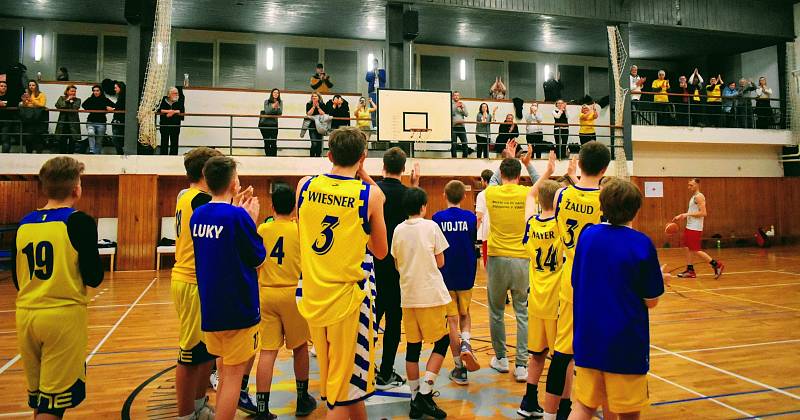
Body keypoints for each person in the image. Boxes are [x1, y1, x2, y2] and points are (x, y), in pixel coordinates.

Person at [295, 126, 388, 419]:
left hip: (312, 295)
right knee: (339, 393)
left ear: (329, 154)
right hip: (348, 301)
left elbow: (303, 225)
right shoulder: (368, 196)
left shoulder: (304, 186)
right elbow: (381, 251)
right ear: (363, 157)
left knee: (342, 382)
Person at [12, 156, 104, 419]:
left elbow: (18, 279)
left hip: (26, 314)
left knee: (41, 398)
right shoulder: (79, 222)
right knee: (53, 405)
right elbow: (94, 277)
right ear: (76, 188)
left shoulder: (24, 223)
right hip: (61, 316)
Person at [567, 179, 667, 420]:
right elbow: (651, 300)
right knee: (628, 414)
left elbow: (575, 280)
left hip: (588, 337)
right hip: (625, 343)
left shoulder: (588, 236)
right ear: (636, 208)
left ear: (602, 205)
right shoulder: (641, 244)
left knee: (583, 406)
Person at [191, 156, 265, 420]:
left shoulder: (198, 214)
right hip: (239, 307)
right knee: (234, 377)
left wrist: (238, 211)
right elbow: (257, 257)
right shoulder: (238, 218)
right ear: (234, 182)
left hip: (211, 306)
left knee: (223, 372)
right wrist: (251, 221)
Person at [544, 141, 610, 420]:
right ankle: (595, 406)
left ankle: (553, 413)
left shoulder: (560, 195)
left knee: (562, 352)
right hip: (598, 283)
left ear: (579, 164)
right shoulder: (606, 200)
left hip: (570, 280)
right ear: (606, 168)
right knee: (599, 352)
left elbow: (574, 193)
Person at [478, 142, 541, 383]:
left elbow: (494, 179)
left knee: (496, 311)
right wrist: (527, 164)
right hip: (522, 260)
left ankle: (502, 359)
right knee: (522, 312)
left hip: (496, 258)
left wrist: (507, 156)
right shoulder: (528, 194)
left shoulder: (490, 193)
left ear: (502, 173)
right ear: (519, 175)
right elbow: (541, 184)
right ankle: (522, 365)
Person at [254, 184, 317, 419]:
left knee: (267, 352)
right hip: (292, 293)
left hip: (267, 293)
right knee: (300, 347)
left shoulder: (262, 229)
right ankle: (302, 399)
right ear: (294, 208)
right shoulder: (300, 229)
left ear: (271, 206)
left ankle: (262, 408)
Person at [170, 147, 223, 420]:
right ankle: (185, 414)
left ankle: (199, 404)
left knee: (205, 352)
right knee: (189, 354)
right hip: (191, 280)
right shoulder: (201, 200)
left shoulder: (186, 196)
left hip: (196, 279)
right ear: (206, 172)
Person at [390, 187, 451, 418]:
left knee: (413, 348)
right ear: (424, 206)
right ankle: (425, 393)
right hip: (431, 295)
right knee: (442, 342)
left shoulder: (397, 230)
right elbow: (441, 261)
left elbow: (397, 263)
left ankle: (415, 399)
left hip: (408, 297)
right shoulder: (431, 227)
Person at [518, 152, 561, 418]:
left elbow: (531, 195)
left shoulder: (531, 223)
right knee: (561, 360)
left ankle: (528, 401)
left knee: (536, 355)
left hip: (535, 299)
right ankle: (558, 409)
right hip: (556, 300)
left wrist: (545, 172)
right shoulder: (560, 225)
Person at [374, 147, 419, 390]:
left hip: (372, 265)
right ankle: (385, 372)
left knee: (370, 320)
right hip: (398, 267)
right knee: (393, 322)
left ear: (383, 166)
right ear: (403, 169)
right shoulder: (408, 195)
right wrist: (414, 186)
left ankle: (362, 367)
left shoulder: (373, 191)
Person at [432, 180, 479, 385]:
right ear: (464, 197)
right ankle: (466, 343)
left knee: (451, 321)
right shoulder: (470, 218)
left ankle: (459, 367)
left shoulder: (436, 218)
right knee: (465, 313)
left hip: (445, 275)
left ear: (444, 195)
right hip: (466, 274)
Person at [673, 178, 725, 279]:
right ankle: (690, 270)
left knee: (696, 249)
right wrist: (683, 216)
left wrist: (686, 214)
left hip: (695, 227)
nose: (689, 187)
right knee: (688, 247)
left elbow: (703, 213)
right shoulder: (694, 197)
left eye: (691, 185)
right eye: (688, 185)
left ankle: (717, 265)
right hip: (690, 226)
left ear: (697, 185)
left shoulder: (699, 197)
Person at [82, 84, 115, 155]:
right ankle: (92, 151)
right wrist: (102, 108)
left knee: (99, 140)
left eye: (97, 91)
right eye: (94, 91)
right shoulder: (90, 99)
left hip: (101, 122)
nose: (95, 92)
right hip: (91, 121)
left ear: (100, 91)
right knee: (91, 133)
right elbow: (84, 105)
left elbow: (114, 106)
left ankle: (97, 154)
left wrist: (108, 109)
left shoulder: (105, 100)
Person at [19, 79, 47, 153]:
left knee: (37, 137)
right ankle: (29, 153)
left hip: (38, 118)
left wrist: (31, 100)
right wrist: (24, 101)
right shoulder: (26, 94)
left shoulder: (41, 94)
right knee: (28, 138)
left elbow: (42, 104)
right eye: (30, 85)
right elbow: (23, 105)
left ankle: (38, 153)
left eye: (33, 85)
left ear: (36, 86)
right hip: (28, 118)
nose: (31, 87)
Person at [55, 85, 82, 154]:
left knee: (72, 141)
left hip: (73, 124)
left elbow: (75, 108)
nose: (73, 93)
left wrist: (72, 101)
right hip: (63, 123)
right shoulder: (61, 98)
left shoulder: (78, 100)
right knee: (62, 141)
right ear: (67, 91)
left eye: (75, 91)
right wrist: (67, 100)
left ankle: (71, 156)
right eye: (72, 91)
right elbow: (58, 105)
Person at [475, 169, 493, 269]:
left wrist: (473, 234)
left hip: (488, 234)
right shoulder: (499, 193)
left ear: (484, 180)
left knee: (489, 268)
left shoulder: (482, 194)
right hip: (501, 235)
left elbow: (479, 217)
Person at [159, 87, 185, 155]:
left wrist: (173, 112)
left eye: (177, 93)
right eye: (175, 93)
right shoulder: (163, 100)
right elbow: (159, 109)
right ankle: (163, 156)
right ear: (169, 94)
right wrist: (168, 111)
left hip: (175, 124)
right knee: (164, 141)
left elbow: (181, 110)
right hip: (164, 124)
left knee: (174, 142)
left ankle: (173, 156)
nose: (177, 95)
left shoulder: (179, 101)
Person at [260, 88, 282, 157]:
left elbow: (280, 113)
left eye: (277, 93)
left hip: (274, 124)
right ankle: (268, 157)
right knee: (267, 142)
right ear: (272, 93)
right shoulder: (267, 101)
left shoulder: (280, 102)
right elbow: (267, 112)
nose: (276, 94)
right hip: (265, 124)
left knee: (273, 142)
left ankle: (274, 157)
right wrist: (273, 106)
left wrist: (277, 108)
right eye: (274, 92)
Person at [365, 58, 385, 127]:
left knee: (380, 109)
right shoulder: (370, 72)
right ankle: (374, 127)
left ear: (377, 64)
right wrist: (373, 72)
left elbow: (384, 79)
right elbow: (367, 79)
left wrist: (378, 73)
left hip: (380, 92)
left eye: (376, 63)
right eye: (373, 64)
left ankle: (381, 126)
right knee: (373, 110)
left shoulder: (382, 71)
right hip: (372, 92)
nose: (375, 65)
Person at [305, 92, 326, 157]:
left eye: (316, 96)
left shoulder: (322, 104)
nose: (314, 97)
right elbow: (309, 114)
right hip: (312, 126)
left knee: (319, 144)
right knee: (314, 143)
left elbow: (323, 114)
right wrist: (313, 107)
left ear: (319, 97)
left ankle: (318, 157)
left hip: (320, 126)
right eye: (313, 96)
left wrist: (318, 107)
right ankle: (311, 157)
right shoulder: (308, 104)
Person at [451, 91, 469, 158]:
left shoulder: (462, 104)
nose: (456, 96)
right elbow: (450, 112)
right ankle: (454, 158)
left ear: (459, 96)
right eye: (455, 95)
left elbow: (466, 114)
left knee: (465, 143)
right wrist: (456, 106)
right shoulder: (451, 104)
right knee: (454, 144)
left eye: (457, 95)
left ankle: (465, 157)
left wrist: (462, 108)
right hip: (453, 127)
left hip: (461, 127)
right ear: (453, 96)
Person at [0, 80, 16, 153]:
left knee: (5, 139)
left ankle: (5, 156)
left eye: (5, 86)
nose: (3, 87)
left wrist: (3, 104)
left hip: (6, 121)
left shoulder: (10, 96)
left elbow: (13, 103)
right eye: (1, 86)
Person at [111, 81, 126, 154]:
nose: (115, 89)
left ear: (120, 88)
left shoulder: (122, 98)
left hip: (119, 120)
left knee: (115, 139)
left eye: (116, 88)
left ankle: (120, 153)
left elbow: (120, 108)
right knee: (117, 138)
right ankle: (120, 153)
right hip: (119, 120)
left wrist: (113, 109)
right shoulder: (122, 97)